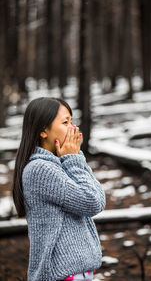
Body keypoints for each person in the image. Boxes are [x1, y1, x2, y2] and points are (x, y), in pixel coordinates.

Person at [12, 97, 106, 281]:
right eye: (65, 122)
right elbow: (92, 202)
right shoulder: (40, 169)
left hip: (77, 273)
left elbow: (99, 199)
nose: (73, 128)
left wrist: (73, 158)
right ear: (43, 131)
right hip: (60, 275)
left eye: (72, 121)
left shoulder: (61, 162)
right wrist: (74, 158)